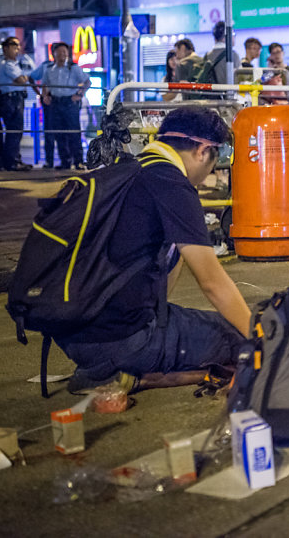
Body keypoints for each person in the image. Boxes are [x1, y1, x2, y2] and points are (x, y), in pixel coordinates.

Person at [57, 107, 251, 394]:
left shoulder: (127, 170)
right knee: (237, 338)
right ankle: (123, 368)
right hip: (121, 338)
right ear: (202, 150)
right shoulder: (172, 185)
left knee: (186, 324)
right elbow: (212, 283)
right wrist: (260, 337)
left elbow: (164, 275)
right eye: (219, 158)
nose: (215, 168)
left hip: (73, 334)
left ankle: (115, 367)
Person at [30, 42, 90, 170]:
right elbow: (44, 84)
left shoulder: (74, 68)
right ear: (54, 54)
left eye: (65, 51)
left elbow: (87, 82)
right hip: (55, 103)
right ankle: (65, 162)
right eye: (59, 51)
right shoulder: (49, 69)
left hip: (69, 103)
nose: (62, 54)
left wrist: (79, 95)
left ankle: (78, 161)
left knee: (74, 132)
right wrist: (44, 96)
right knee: (59, 134)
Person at [0, 36, 36, 171]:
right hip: (12, 99)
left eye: (18, 47)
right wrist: (25, 77)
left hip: (11, 98)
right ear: (5, 48)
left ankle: (13, 160)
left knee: (14, 131)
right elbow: (21, 80)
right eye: (14, 46)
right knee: (15, 131)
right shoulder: (8, 64)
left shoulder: (4, 63)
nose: (17, 50)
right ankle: (12, 162)